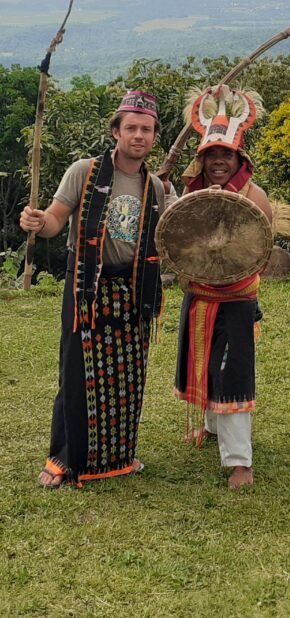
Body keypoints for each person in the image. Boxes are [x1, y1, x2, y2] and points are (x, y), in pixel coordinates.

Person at [20, 91, 177, 488]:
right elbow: (57, 218)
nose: (138, 135)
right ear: (116, 132)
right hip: (87, 285)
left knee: (126, 376)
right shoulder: (84, 172)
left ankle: (117, 458)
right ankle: (63, 459)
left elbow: (174, 231)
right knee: (77, 372)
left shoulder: (156, 187)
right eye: (131, 128)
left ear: (154, 136)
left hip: (133, 288)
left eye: (146, 129)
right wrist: (39, 222)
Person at [174, 84, 272, 491]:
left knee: (232, 375)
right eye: (210, 155)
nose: (218, 161)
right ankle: (210, 429)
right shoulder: (189, 194)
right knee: (205, 367)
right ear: (201, 159)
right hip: (198, 297)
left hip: (235, 300)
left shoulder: (255, 196)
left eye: (225, 155)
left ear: (239, 157)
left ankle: (240, 462)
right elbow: (178, 243)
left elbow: (260, 252)